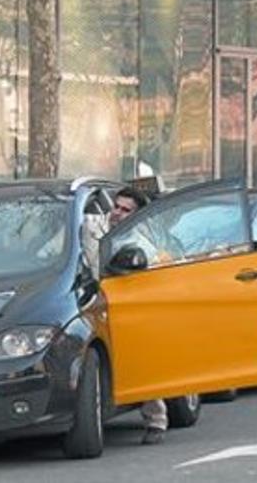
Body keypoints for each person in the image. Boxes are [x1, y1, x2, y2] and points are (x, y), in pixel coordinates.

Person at [81, 187, 170, 444]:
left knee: (140, 360)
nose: (117, 213)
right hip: (90, 300)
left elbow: (149, 271)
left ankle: (156, 421)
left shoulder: (140, 241)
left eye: (125, 210)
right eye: (116, 207)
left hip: (126, 304)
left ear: (137, 215)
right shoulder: (92, 226)